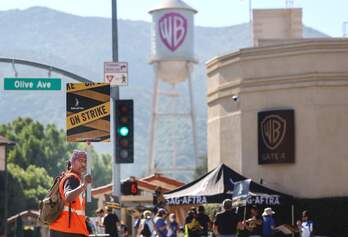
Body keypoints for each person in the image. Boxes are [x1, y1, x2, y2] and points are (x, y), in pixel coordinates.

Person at [49, 150, 92, 237]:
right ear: (72, 162)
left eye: (85, 161)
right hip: (69, 230)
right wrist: (84, 185)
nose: (83, 164)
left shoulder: (70, 177)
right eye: (80, 160)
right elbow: (68, 197)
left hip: (62, 229)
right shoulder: (72, 178)